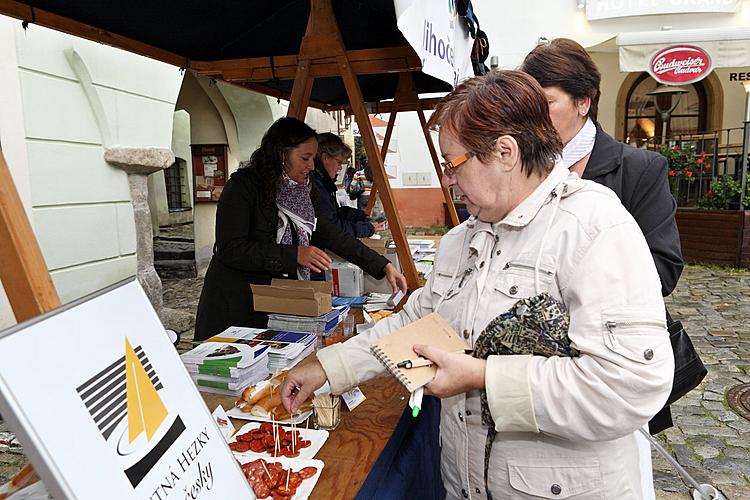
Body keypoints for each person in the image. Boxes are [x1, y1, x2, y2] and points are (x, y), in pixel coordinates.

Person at [282, 71, 673, 499]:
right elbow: (414, 323)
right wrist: (327, 367)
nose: (448, 179)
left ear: (505, 152)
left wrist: (484, 378)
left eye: (453, 164)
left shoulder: (593, 228)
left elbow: (630, 385)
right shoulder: (462, 239)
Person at [521, 38, 684, 499]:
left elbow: (665, 267)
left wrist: (573, 288)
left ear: (583, 102)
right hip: (536, 366)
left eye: (545, 103)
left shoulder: (638, 168)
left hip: (606, 361)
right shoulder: (523, 167)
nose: (533, 117)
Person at [194, 118, 407, 342]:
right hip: (235, 307)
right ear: (280, 154)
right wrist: (294, 254)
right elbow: (231, 248)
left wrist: (383, 265)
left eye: (313, 159)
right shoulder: (242, 187)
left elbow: (332, 234)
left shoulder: (303, 191)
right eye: (305, 158)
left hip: (278, 305)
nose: (312, 167)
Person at [312, 133, 384, 238]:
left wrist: (362, 218)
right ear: (325, 158)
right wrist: (366, 227)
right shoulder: (317, 186)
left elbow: (336, 213)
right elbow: (333, 227)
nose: (340, 168)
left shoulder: (323, 184)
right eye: (339, 162)